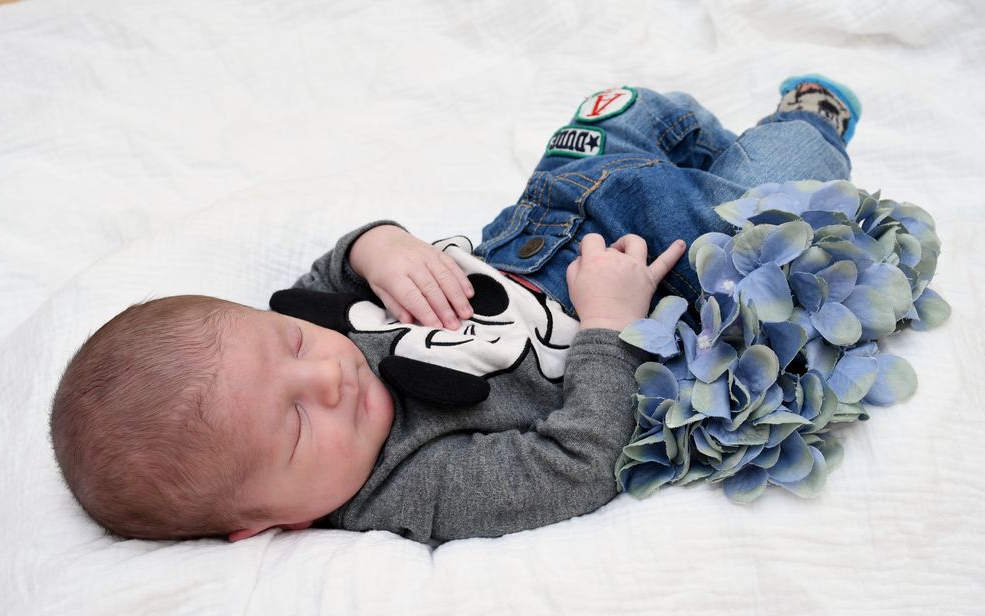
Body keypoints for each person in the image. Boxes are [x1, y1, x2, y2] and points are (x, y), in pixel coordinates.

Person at [50, 75, 860, 545]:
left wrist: (380, 247)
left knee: (612, 114)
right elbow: (575, 468)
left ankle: (694, 146)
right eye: (295, 425)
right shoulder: (408, 487)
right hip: (647, 280)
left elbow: (331, 269)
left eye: (292, 345)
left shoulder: (312, 333)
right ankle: (808, 119)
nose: (327, 376)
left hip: (542, 221)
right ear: (260, 523)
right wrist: (610, 328)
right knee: (762, 203)